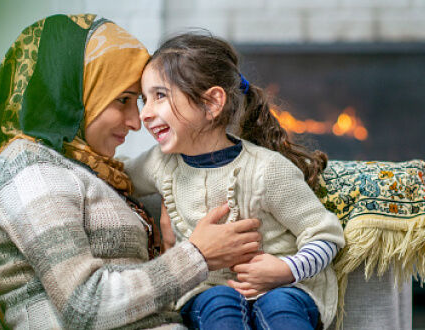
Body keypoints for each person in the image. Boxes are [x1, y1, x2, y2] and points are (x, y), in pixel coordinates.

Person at [0, 14, 261, 329]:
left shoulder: (90, 168)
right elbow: (85, 306)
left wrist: (175, 190)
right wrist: (198, 255)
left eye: (137, 101)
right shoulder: (30, 170)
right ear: (75, 92)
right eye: (123, 100)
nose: (136, 121)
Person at [123, 32, 346, 330]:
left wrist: (285, 269)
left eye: (160, 96)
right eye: (144, 99)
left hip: (285, 287)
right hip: (207, 291)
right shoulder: (160, 163)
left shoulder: (267, 170)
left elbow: (326, 235)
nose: (145, 113)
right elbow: (116, 174)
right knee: (220, 304)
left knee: (278, 307)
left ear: (211, 103)